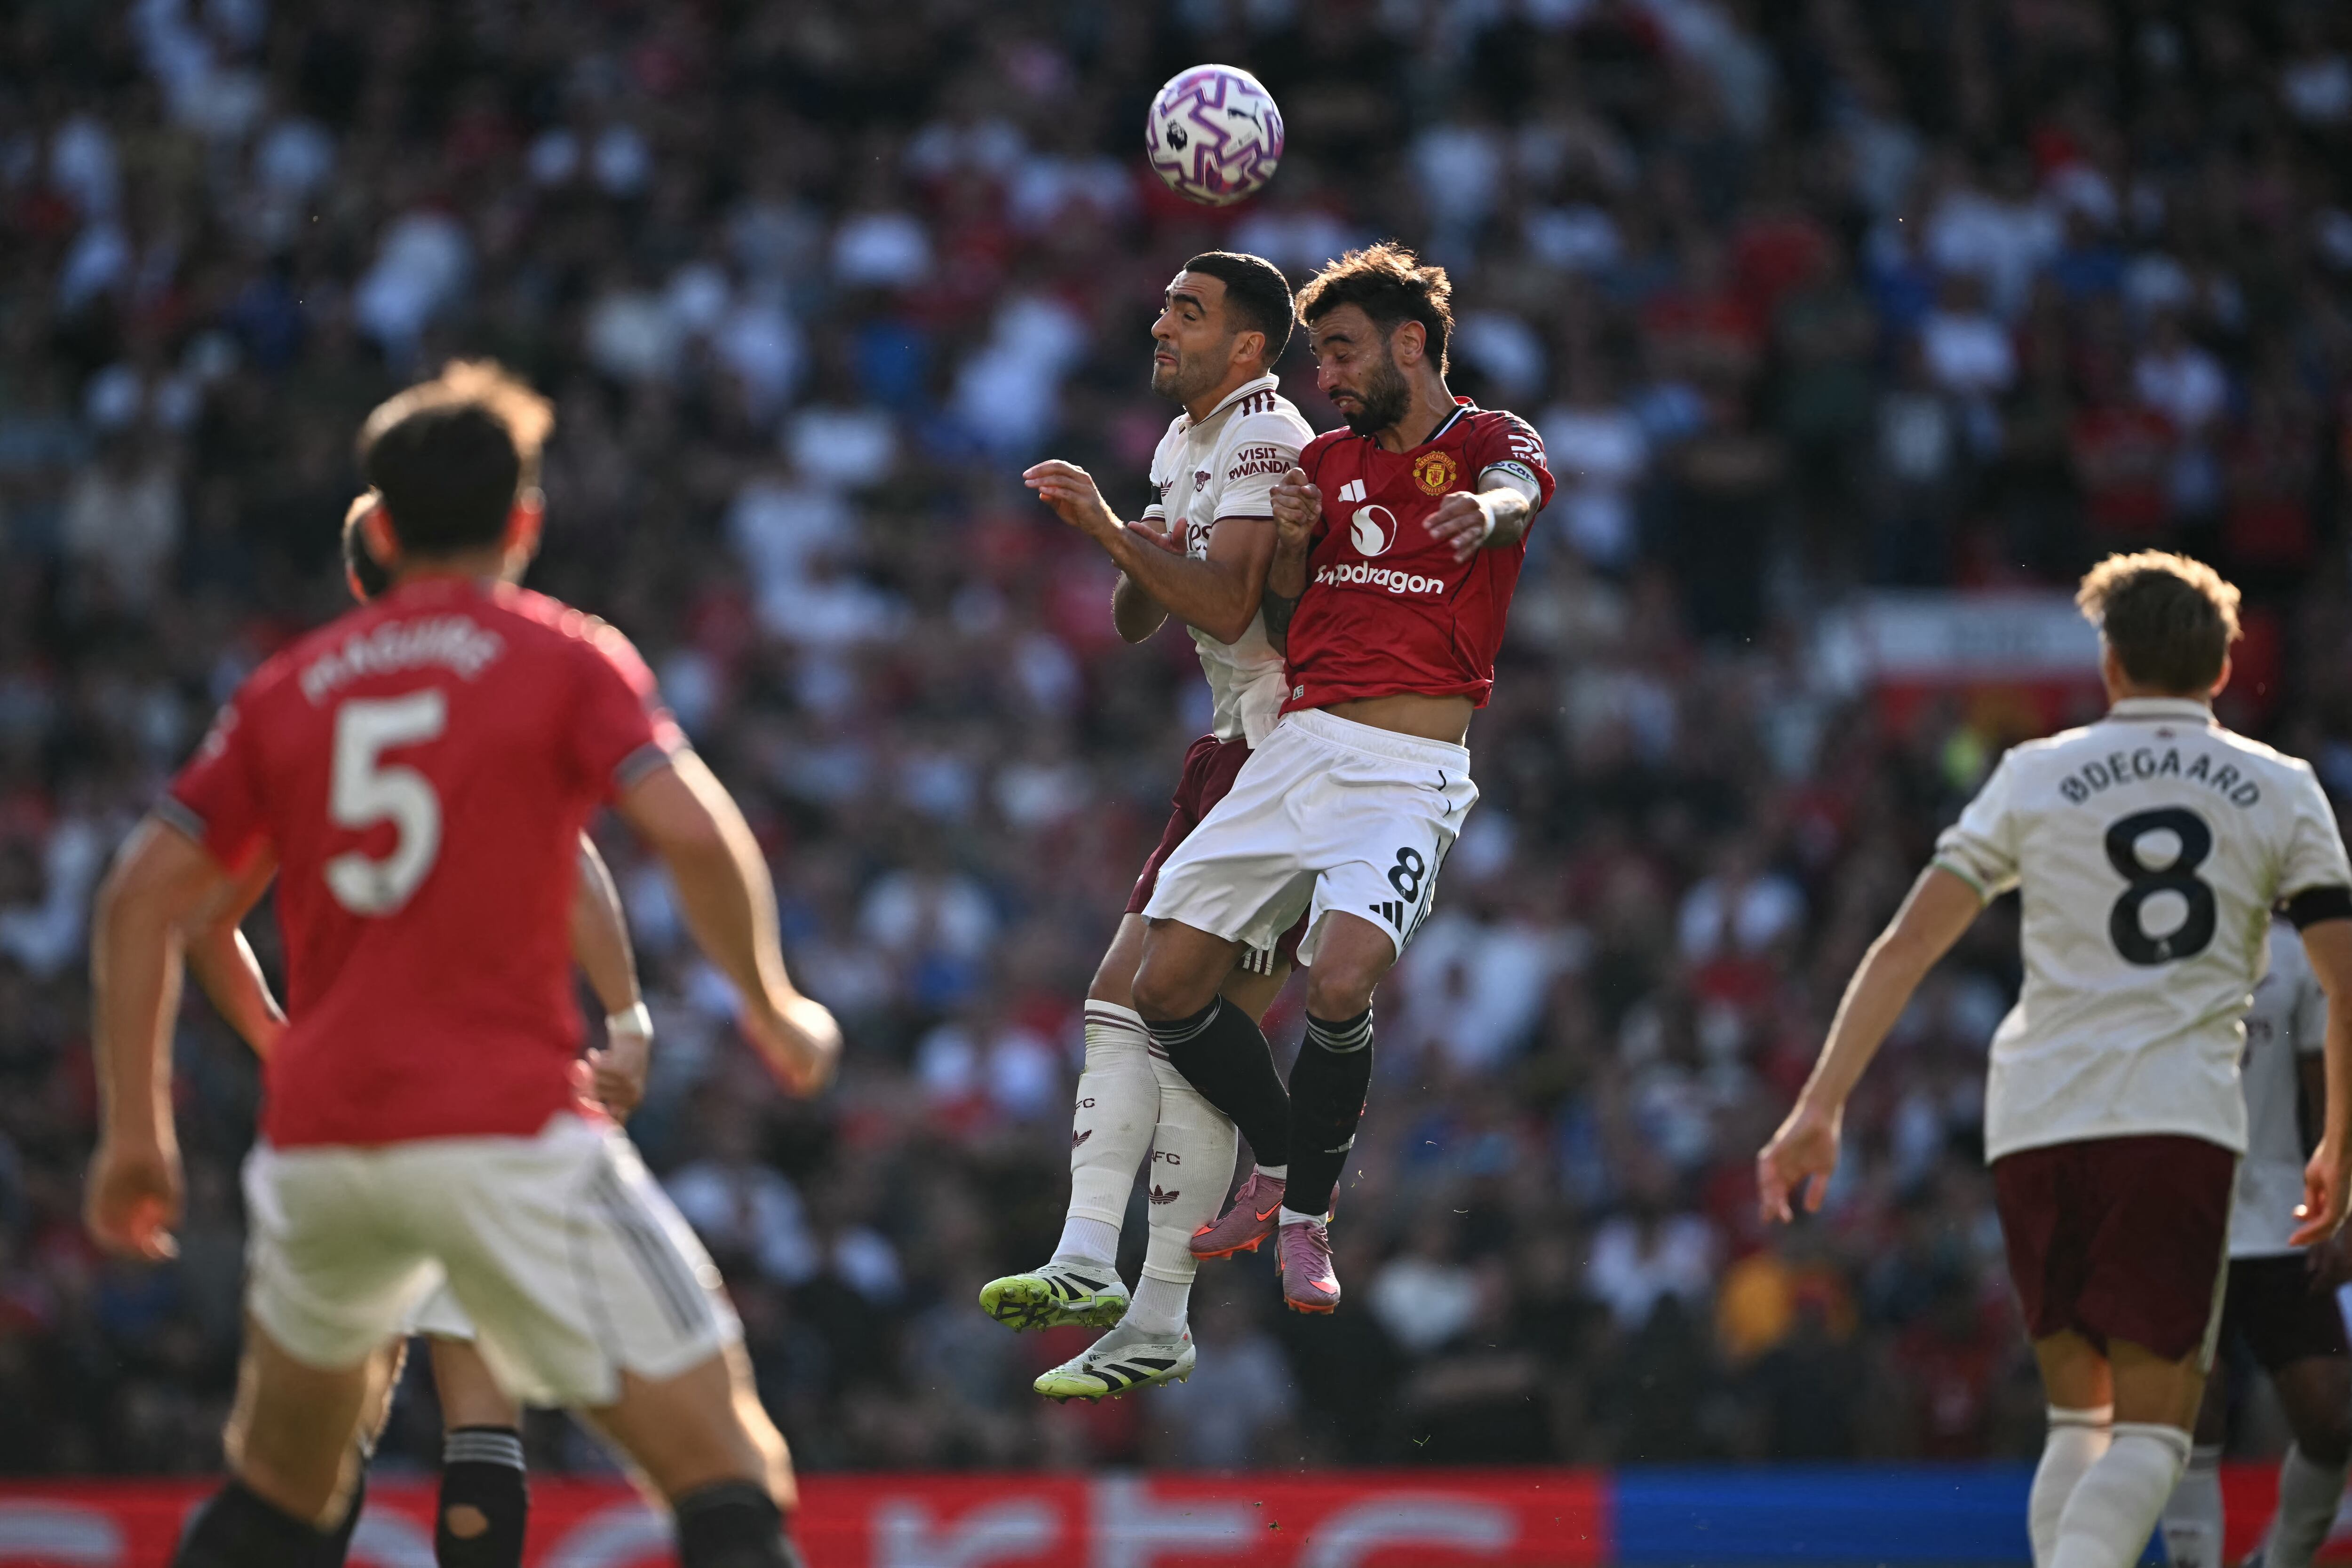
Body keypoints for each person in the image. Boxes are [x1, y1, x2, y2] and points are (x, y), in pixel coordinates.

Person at [83, 361, 840, 1568]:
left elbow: (140, 900)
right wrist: (774, 1002)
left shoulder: (287, 692)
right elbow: (687, 828)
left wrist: (136, 1131)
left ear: (378, 527)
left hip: (323, 1145)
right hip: (505, 1126)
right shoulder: (561, 657)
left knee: (276, 1501)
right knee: (731, 1478)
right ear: (524, 524)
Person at [1756, 551, 2352, 1568]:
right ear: (2219, 670)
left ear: (2110, 665)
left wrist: (1820, 1103)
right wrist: (2338, 1138)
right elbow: (2343, 983)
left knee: (2079, 1424)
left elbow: (1904, 943)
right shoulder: (2279, 787)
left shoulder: (2035, 771)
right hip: (2173, 1119)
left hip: (2035, 1114)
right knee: (2155, 1439)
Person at [168, 492, 658, 1568]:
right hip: (489, 1094)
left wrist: (280, 1041)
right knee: (484, 1411)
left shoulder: (304, 698)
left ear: (363, 572)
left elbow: (201, 920)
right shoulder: (511, 675)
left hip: (343, 1102)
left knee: (322, 1426)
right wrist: (625, 1017)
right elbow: (575, 864)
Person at [1124, 241, 1556, 1315]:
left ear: (1412, 343)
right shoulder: (1319, 467)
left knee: (1343, 977)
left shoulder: (1488, 440)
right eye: (1321, 357)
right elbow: (1269, 621)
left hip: (1408, 771)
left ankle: (1308, 1219)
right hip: (1300, 746)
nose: (1328, 376)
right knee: (1162, 990)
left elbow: (1516, 491)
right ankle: (1277, 1159)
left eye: (1346, 352)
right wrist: (1286, 551)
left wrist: (1487, 515)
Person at [993, 251, 1315, 1400]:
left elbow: (1228, 603)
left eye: (1189, 309)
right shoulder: (1185, 443)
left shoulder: (1264, 437)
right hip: (1230, 749)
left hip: (1289, 754)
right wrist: (1122, 536)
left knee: (1139, 1000)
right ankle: (1137, 1303)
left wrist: (1112, 530)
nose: (1160, 321)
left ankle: (1106, 1265)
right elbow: (1144, 614)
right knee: (1158, 1017)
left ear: (1246, 345)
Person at [2158, 914, 2352, 1568]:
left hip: (2278, 1213)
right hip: (2180, 1216)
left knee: (2331, 1419)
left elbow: (2326, 1091)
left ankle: (2281, 1561)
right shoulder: (2151, 940)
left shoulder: (2297, 956)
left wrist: (2342, 1207)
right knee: (2192, 1413)